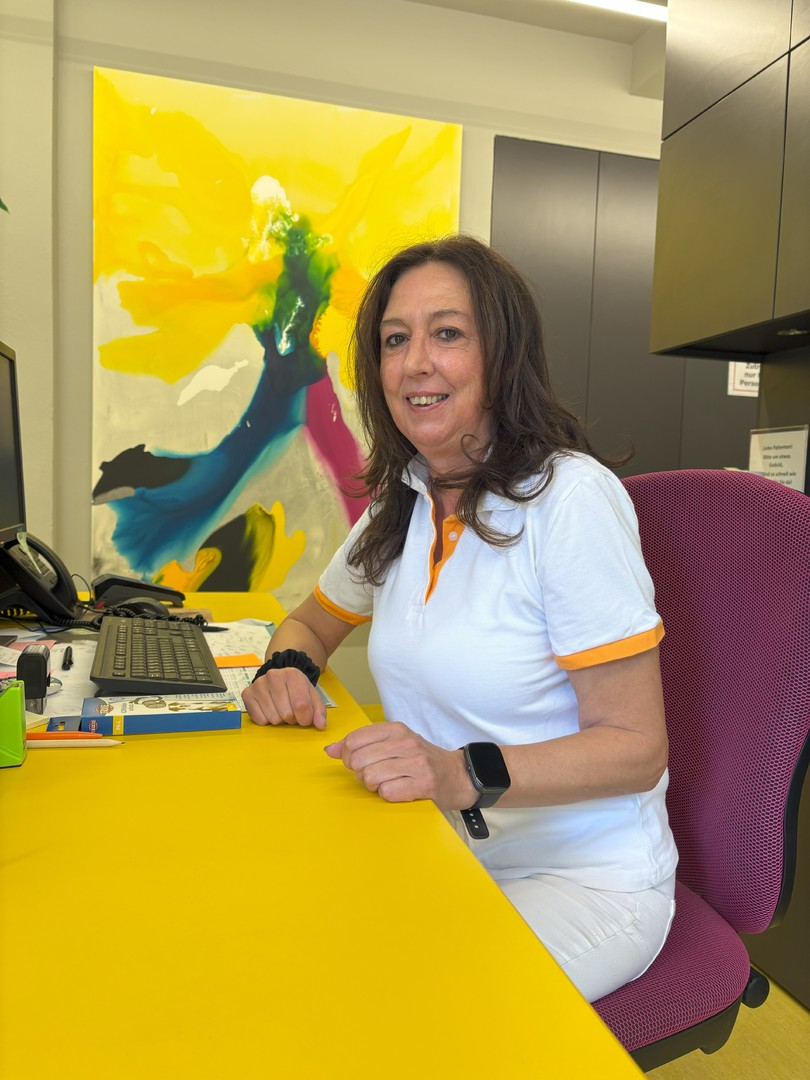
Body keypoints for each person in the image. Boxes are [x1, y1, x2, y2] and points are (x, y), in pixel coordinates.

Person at [242, 234, 678, 1002]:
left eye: (447, 333)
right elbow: (309, 624)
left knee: (401, 1011)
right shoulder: (405, 499)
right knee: (276, 937)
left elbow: (636, 750)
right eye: (394, 340)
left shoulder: (570, 500)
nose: (416, 363)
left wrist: (456, 773)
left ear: (503, 354)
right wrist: (286, 669)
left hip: (582, 880)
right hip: (441, 846)